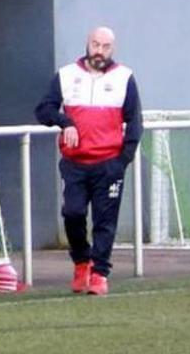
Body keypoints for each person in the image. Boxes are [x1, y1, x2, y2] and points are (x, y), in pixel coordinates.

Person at [35, 26, 143, 296]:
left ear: (113, 49)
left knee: (105, 220)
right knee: (73, 213)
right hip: (75, 163)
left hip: (109, 163)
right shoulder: (67, 75)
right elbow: (44, 109)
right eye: (96, 45)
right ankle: (82, 260)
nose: (100, 51)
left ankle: (99, 273)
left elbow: (135, 122)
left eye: (106, 46)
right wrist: (65, 121)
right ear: (87, 44)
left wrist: (123, 160)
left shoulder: (124, 77)